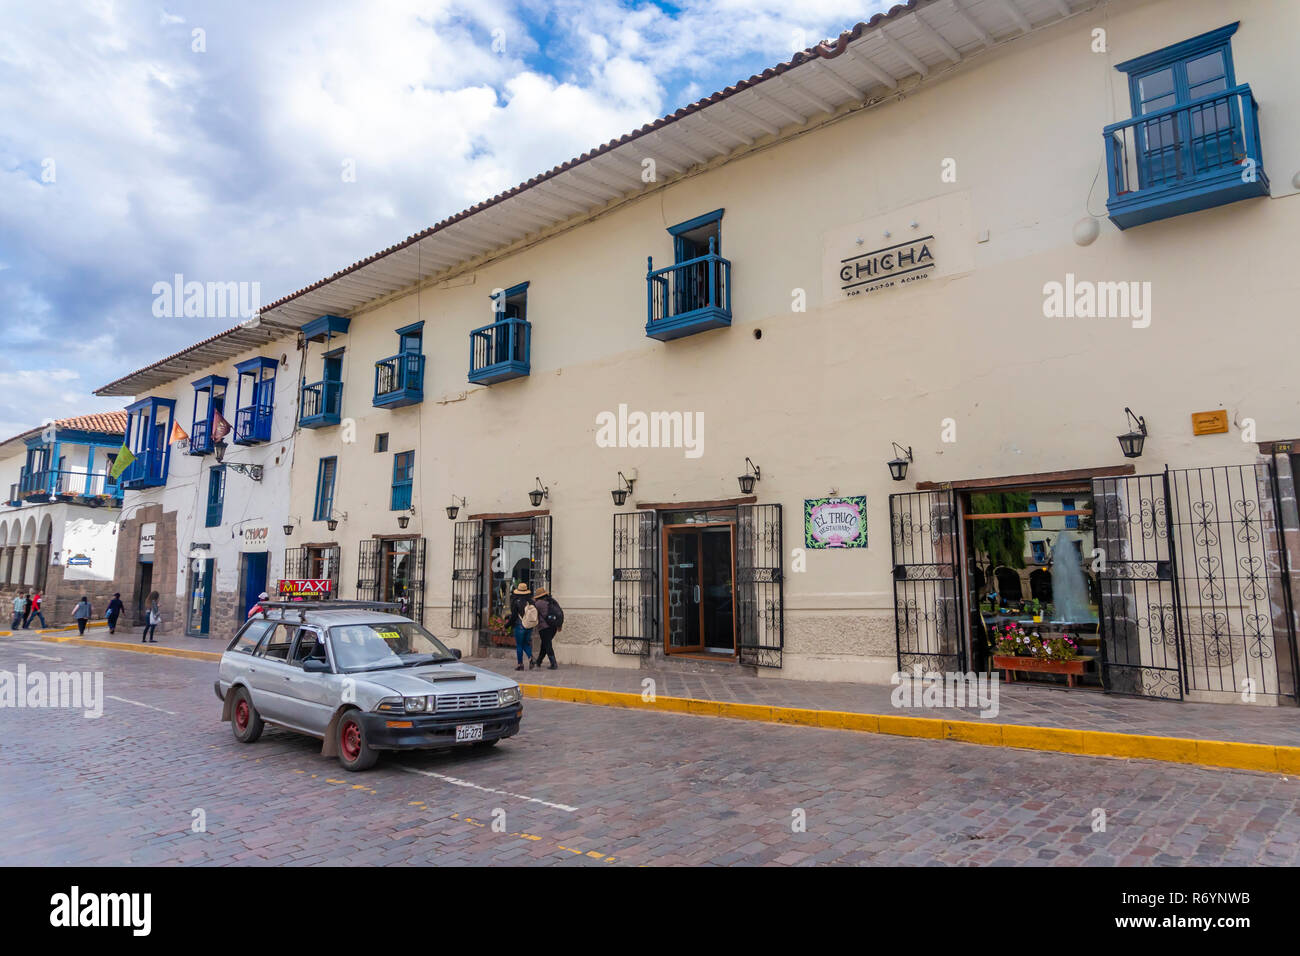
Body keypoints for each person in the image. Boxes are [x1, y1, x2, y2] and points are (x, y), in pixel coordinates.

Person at [506, 582, 536, 671]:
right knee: (525, 644)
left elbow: (514, 616)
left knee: (519, 645)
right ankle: (531, 658)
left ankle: (520, 664)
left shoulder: (516, 602)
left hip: (520, 625)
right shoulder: (531, 601)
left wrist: (507, 625)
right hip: (529, 626)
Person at [531, 587, 563, 670]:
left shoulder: (538, 603)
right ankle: (539, 661)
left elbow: (531, 608)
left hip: (544, 627)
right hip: (553, 626)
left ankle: (553, 663)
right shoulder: (551, 601)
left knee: (547, 645)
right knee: (544, 645)